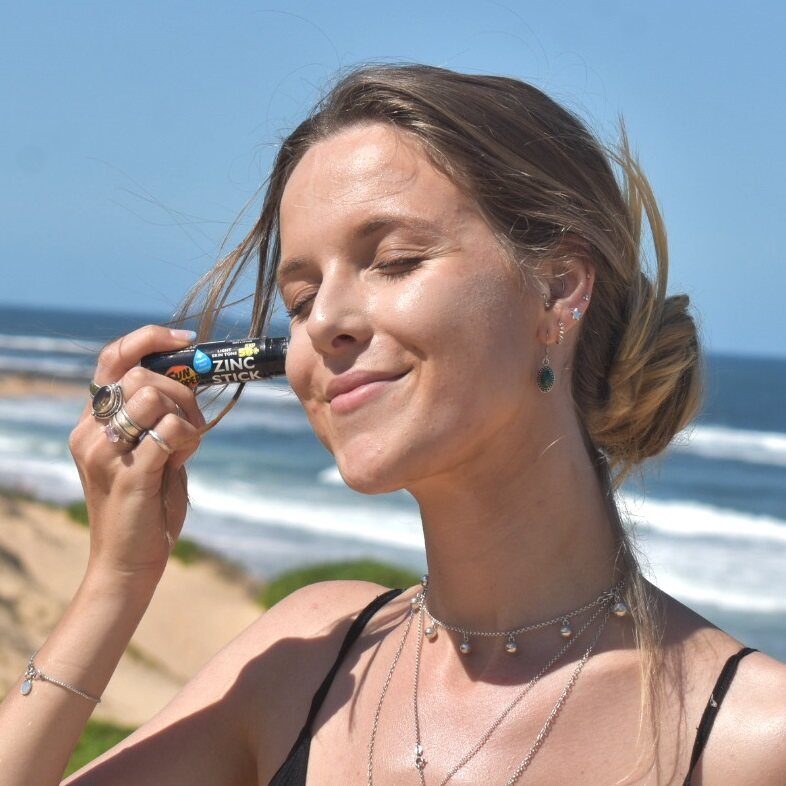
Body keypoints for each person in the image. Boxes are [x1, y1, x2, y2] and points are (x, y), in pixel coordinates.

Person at [1, 64, 784, 786]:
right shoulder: (306, 663)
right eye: (301, 301)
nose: (325, 322)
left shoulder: (749, 738)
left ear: (557, 288)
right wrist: (115, 583)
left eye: (396, 260)